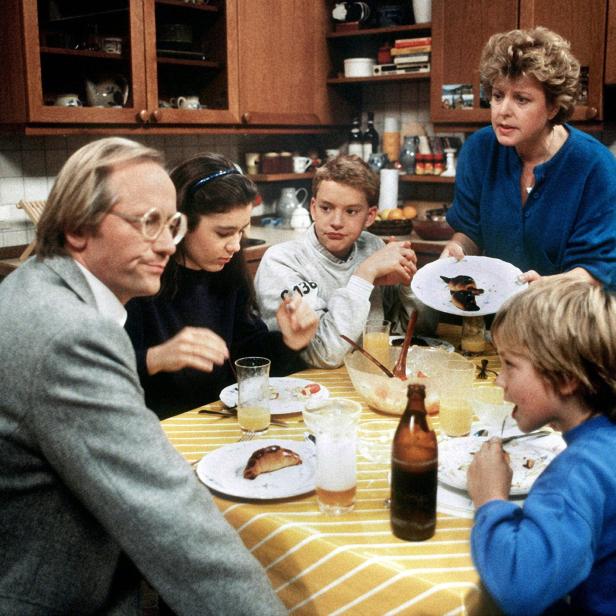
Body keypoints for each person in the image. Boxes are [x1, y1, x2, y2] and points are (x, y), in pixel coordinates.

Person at [0, 137, 285, 615]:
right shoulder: (71, 334)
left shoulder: (34, 286)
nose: (166, 243)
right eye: (147, 222)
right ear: (76, 229)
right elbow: (168, 515)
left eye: (172, 224)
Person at [125, 153, 318, 418]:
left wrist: (289, 342)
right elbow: (94, 375)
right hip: (159, 429)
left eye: (242, 231)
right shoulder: (138, 281)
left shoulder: (228, 271)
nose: (236, 245)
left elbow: (247, 358)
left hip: (217, 419)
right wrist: (155, 358)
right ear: (180, 223)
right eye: (224, 233)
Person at [467, 278, 616, 615]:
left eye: (510, 365)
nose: (498, 380)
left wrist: (489, 499)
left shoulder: (578, 472)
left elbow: (519, 587)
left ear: (565, 378)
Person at [443, 27, 616, 289]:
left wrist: (547, 286)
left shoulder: (595, 166)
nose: (503, 111)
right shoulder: (479, 150)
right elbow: (470, 232)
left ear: (553, 107)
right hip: (497, 308)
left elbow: (597, 270)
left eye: (521, 99)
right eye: (498, 96)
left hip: (568, 314)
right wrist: (457, 248)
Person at [254, 154, 438, 369]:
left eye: (351, 211)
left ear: (370, 216)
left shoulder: (373, 247)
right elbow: (324, 353)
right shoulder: (282, 261)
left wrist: (409, 286)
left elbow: (415, 333)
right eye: (326, 208)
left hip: (365, 377)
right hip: (305, 387)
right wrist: (364, 275)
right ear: (313, 208)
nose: (336, 222)